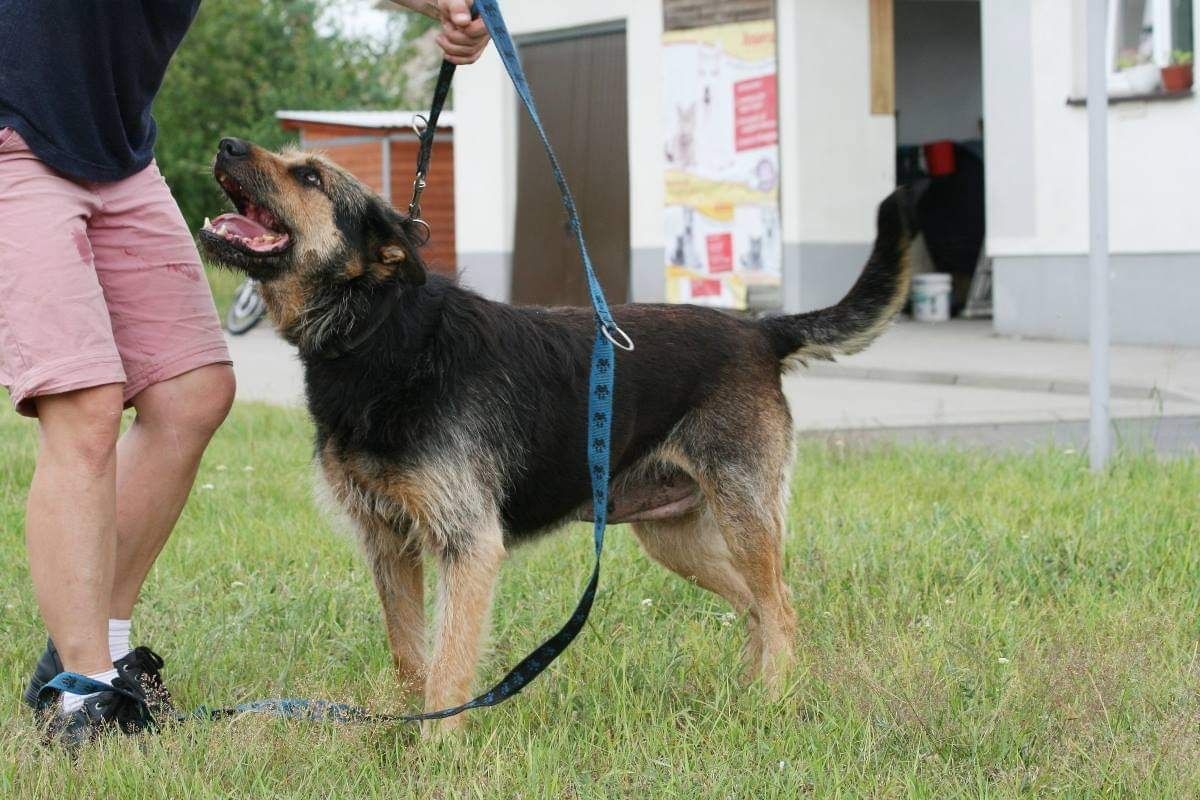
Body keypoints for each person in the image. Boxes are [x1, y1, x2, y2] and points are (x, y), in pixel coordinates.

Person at [0, 0, 489, 747]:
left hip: (118, 155)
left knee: (194, 391)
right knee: (87, 403)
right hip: (14, 138)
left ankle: (101, 642)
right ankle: (83, 694)